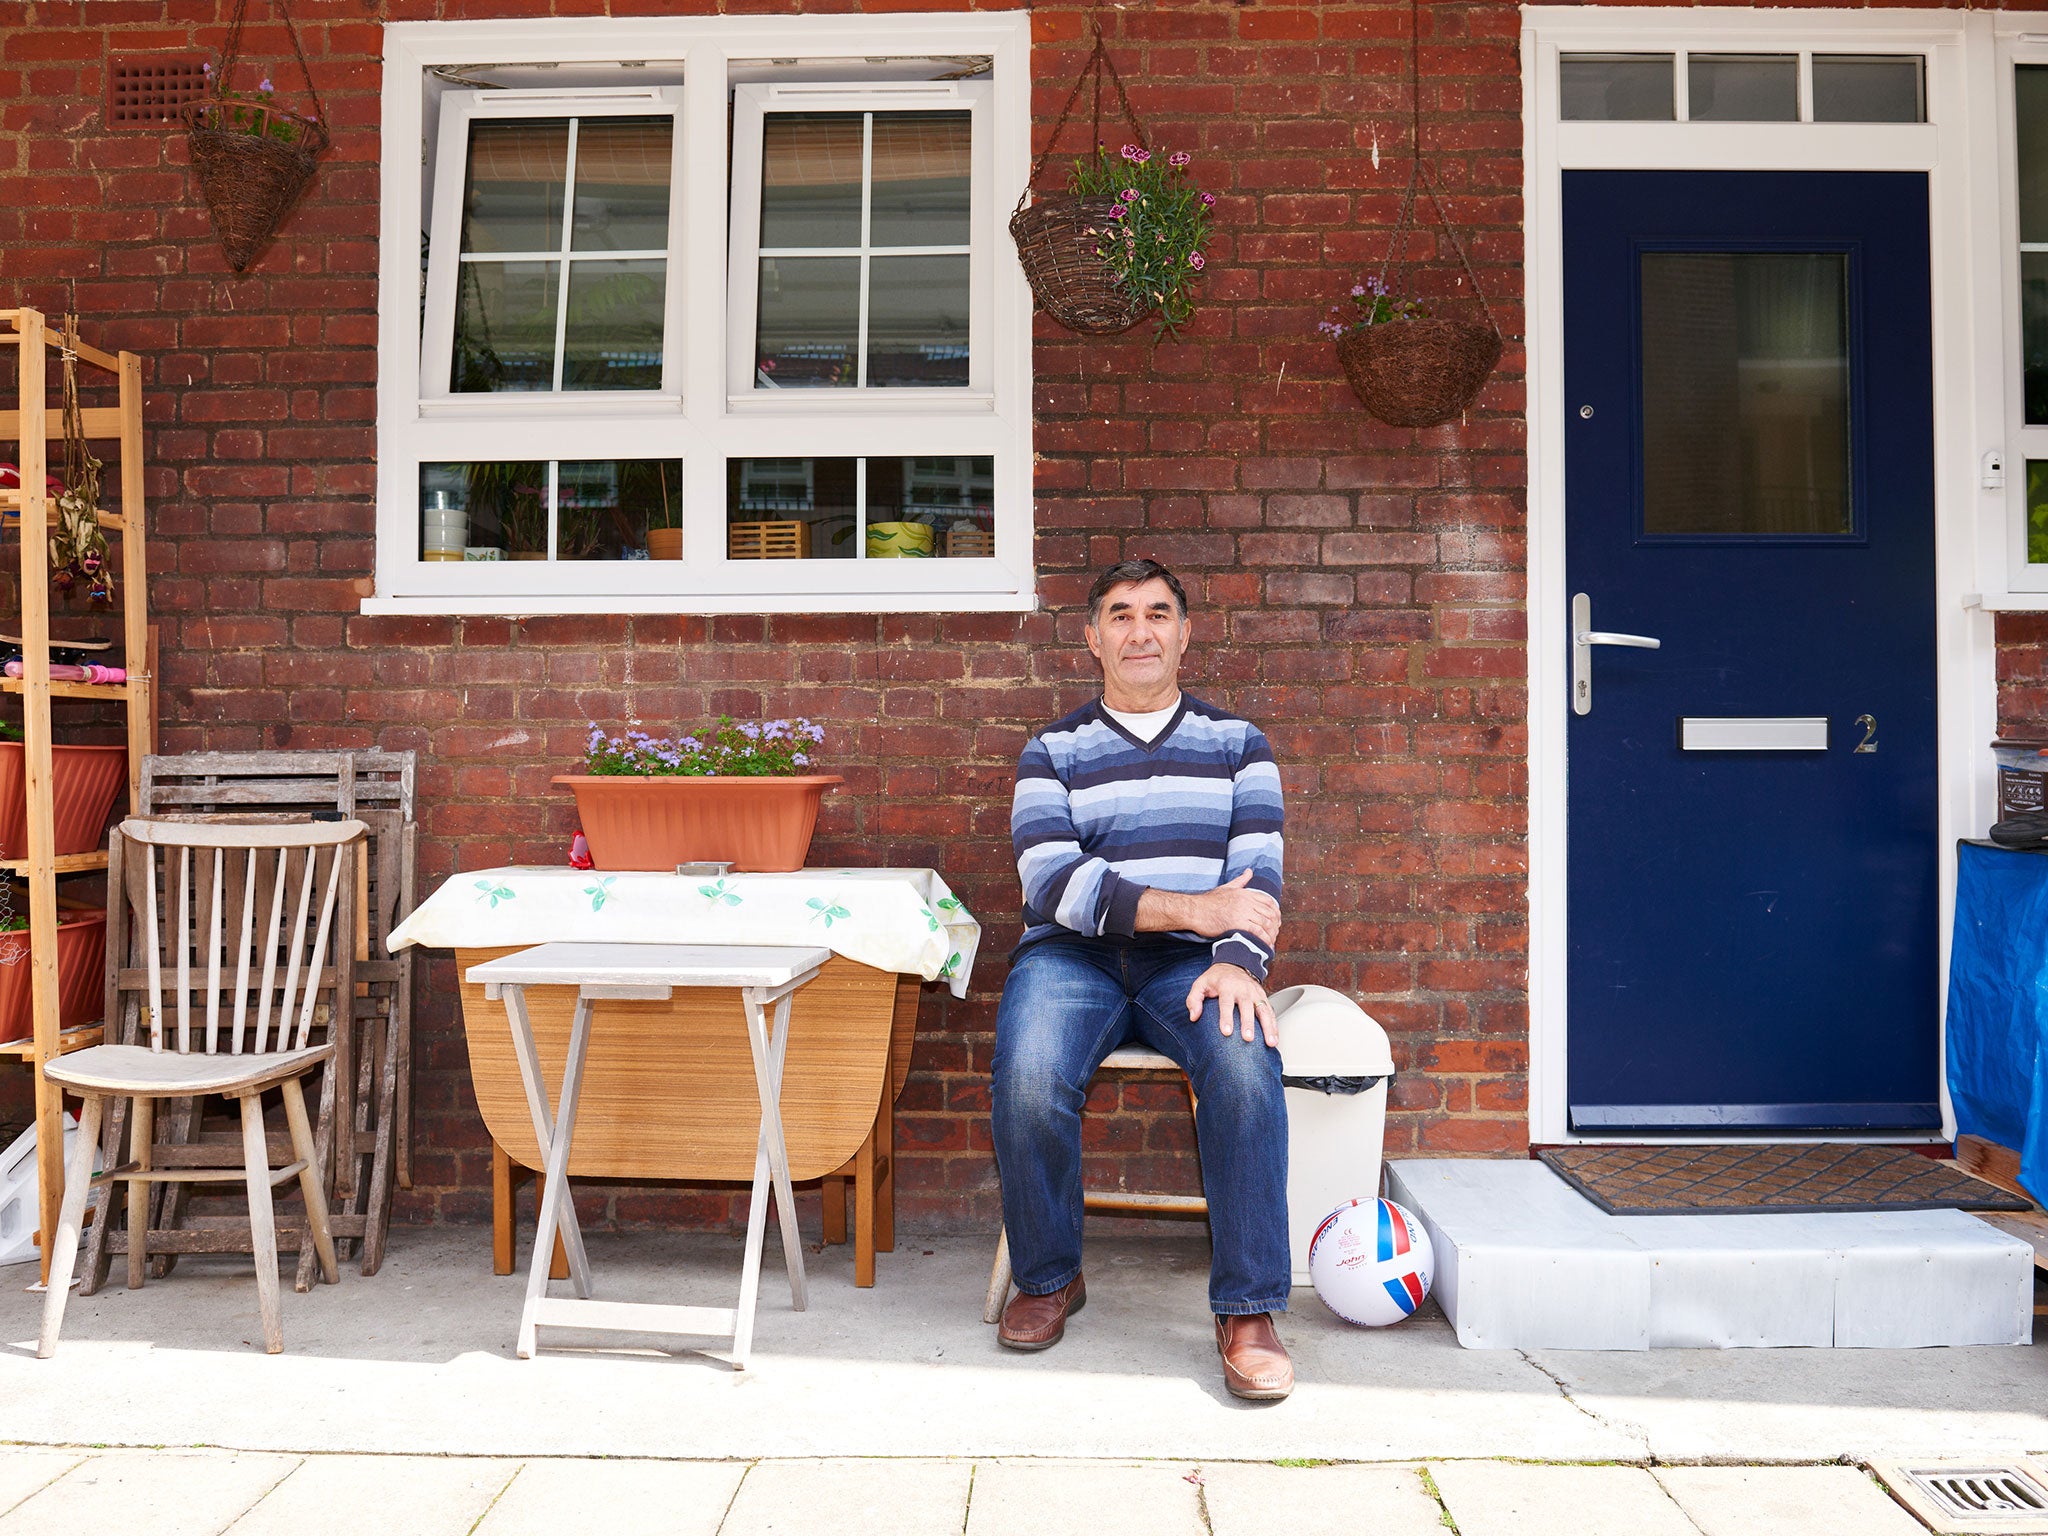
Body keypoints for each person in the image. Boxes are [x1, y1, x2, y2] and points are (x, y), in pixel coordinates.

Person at [990, 557, 1293, 1401]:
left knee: (1242, 1062)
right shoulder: (1050, 751)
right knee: (1026, 1075)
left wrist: (1234, 957)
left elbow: (1257, 878)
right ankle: (1049, 1277)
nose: (1140, 631)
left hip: (1196, 966)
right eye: (1120, 615)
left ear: (1185, 634)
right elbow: (1053, 887)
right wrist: (1197, 909)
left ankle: (1249, 1309)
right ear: (1092, 639)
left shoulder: (1240, 746)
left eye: (1158, 613)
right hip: (1070, 956)